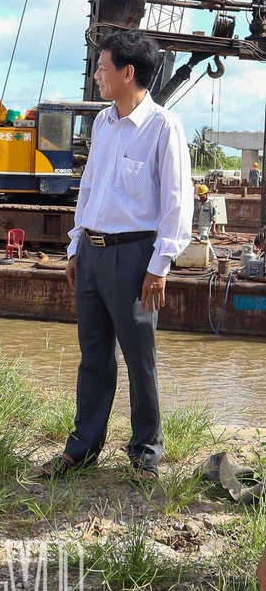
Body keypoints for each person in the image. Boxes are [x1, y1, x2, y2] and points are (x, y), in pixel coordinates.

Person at [43, 29, 193, 482]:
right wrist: (74, 247)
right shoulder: (103, 123)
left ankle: (145, 451)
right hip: (92, 253)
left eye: (103, 69)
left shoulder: (163, 126)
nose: (96, 76)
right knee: (93, 355)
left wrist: (159, 265)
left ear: (129, 73)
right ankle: (83, 446)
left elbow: (177, 201)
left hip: (134, 258)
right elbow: (89, 190)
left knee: (138, 356)